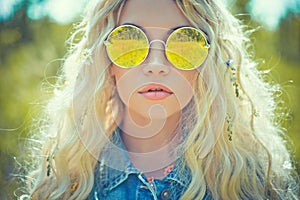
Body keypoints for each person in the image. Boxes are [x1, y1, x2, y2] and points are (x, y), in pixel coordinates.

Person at [19, 0, 299, 199]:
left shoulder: (252, 185)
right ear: (104, 60)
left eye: (183, 42)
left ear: (208, 63)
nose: (156, 64)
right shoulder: (66, 186)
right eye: (129, 42)